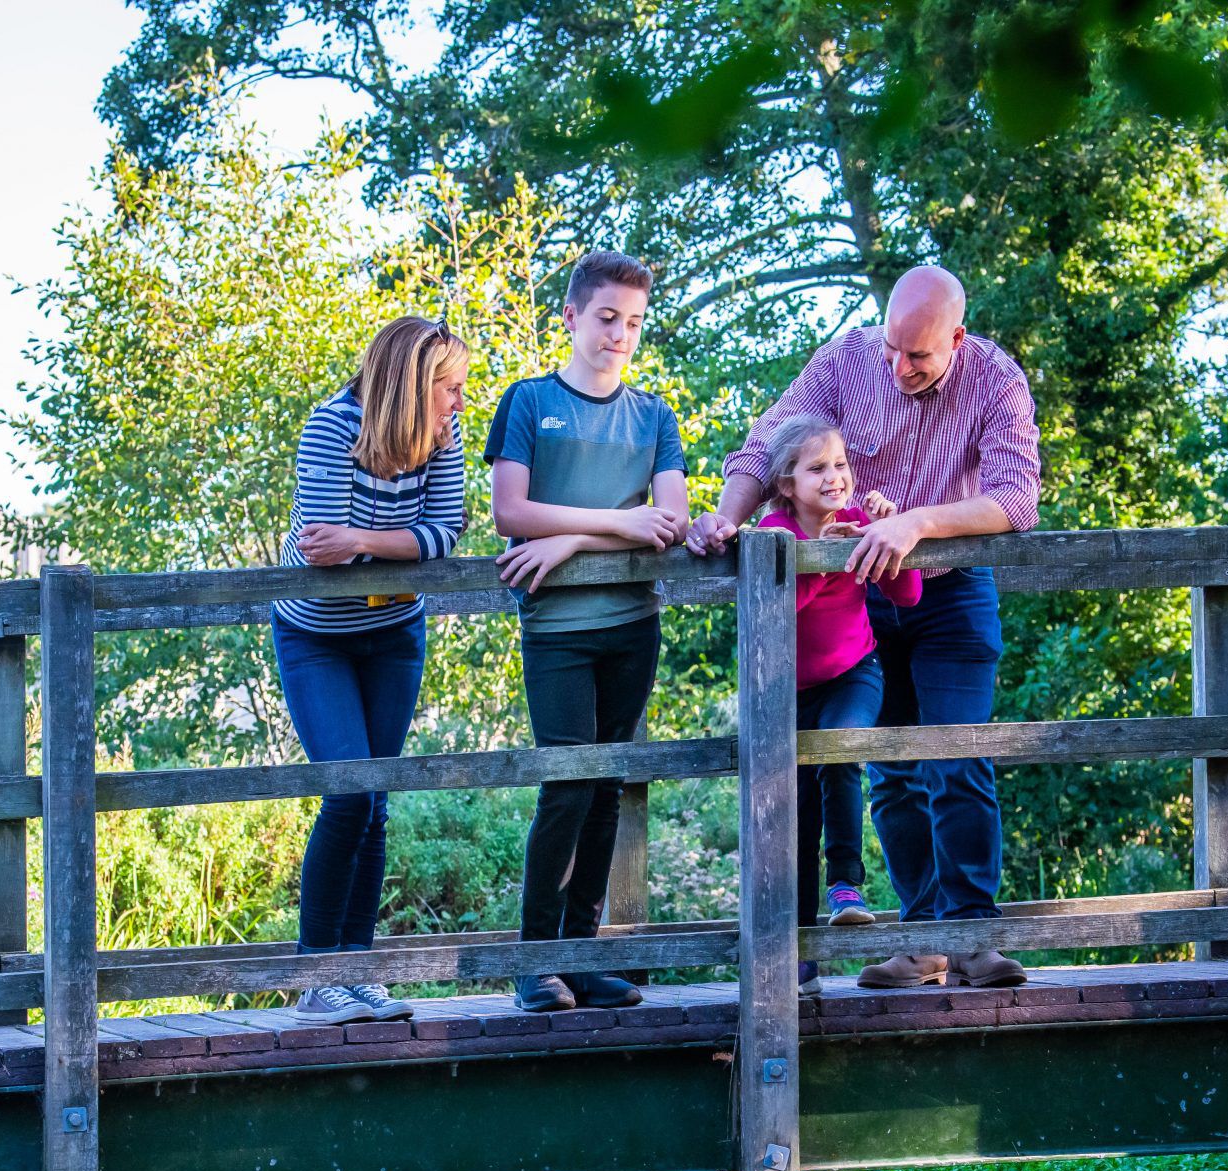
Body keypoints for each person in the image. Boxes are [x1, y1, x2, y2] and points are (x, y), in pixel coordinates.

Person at [688, 265, 1040, 989]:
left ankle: (972, 934)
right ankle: (921, 943)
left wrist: (918, 522)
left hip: (950, 590)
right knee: (890, 770)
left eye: (919, 356)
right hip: (861, 594)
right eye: (893, 349)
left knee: (958, 758)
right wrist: (728, 515)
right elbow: (767, 446)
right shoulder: (846, 360)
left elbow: (1015, 499)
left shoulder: (997, 380)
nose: (899, 366)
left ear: (957, 340)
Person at [487, 250, 689, 1013]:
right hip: (557, 629)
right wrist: (616, 522)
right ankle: (536, 962)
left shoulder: (654, 416)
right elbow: (512, 514)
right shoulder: (528, 401)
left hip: (632, 625)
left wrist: (571, 539)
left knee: (607, 788)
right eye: (607, 318)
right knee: (567, 787)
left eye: (634, 323)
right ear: (571, 318)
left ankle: (583, 954)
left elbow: (664, 525)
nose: (620, 335)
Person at [275, 316, 471, 1024]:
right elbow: (318, 546)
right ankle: (316, 978)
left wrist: (362, 538)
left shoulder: (441, 439)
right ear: (412, 383)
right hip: (316, 637)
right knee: (349, 791)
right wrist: (389, 545)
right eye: (449, 388)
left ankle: (358, 971)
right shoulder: (331, 427)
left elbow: (445, 532)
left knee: (378, 795)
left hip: (394, 633)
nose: (458, 403)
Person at [750, 413, 922, 996]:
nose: (834, 477)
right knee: (796, 807)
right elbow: (784, 608)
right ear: (786, 483)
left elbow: (907, 593)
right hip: (790, 689)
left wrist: (886, 532)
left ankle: (846, 885)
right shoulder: (776, 531)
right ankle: (800, 957)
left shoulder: (856, 522)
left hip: (855, 673)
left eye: (841, 465)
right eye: (817, 468)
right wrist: (821, 560)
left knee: (842, 752)